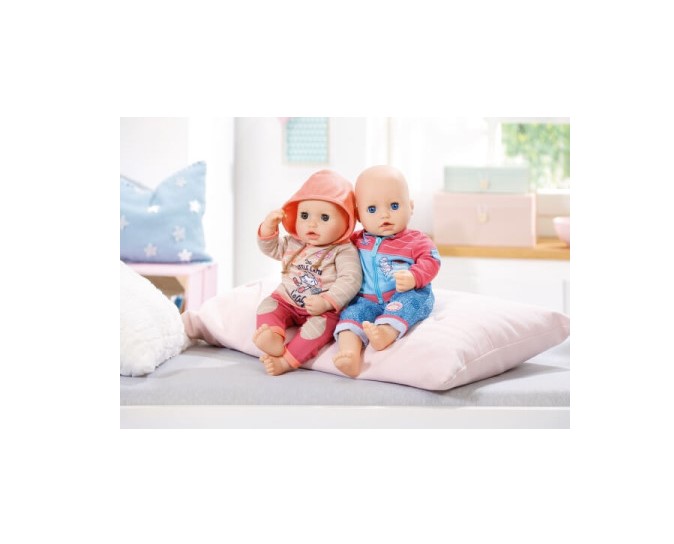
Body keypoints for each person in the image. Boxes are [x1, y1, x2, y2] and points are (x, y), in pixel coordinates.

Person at [332, 165, 441, 377]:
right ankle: (349, 355)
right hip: (366, 299)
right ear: (358, 215)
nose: (384, 214)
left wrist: (414, 277)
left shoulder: (416, 240)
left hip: (405, 293)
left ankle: (385, 333)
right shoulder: (355, 241)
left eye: (394, 205)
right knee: (350, 316)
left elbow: (432, 260)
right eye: (372, 209)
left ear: (410, 207)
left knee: (409, 303)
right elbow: (335, 255)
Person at [254, 169, 362, 376]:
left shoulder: (343, 250)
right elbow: (272, 248)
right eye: (304, 216)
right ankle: (273, 336)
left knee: (317, 331)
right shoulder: (294, 243)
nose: (312, 224)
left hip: (322, 310)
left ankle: (286, 361)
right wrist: (268, 228)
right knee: (267, 307)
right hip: (286, 299)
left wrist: (327, 302)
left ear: (346, 221)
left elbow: (351, 279)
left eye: (324, 217)